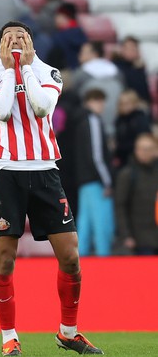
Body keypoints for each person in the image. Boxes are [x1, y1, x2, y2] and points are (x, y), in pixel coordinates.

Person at [0, 21, 103, 356]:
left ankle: (68, 332)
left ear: (32, 40)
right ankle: (9, 338)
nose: (16, 41)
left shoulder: (50, 72)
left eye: (22, 36)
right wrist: (8, 71)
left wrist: (26, 68)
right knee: (4, 261)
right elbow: (2, 110)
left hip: (46, 171)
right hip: (7, 173)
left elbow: (43, 106)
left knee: (71, 257)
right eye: (8, 37)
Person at [71, 89, 114, 257]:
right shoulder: (92, 120)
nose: (102, 105)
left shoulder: (78, 121)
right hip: (95, 181)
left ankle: (80, 265)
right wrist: (107, 181)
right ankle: (104, 261)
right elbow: (96, 155)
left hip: (83, 181)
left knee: (85, 225)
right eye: (100, 101)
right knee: (102, 225)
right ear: (91, 101)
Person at [115, 133, 158, 255]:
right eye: (141, 149)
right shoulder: (127, 175)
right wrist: (126, 235)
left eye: (148, 149)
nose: (144, 152)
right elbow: (120, 206)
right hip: (140, 239)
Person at [71, 41, 124, 138]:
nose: (79, 55)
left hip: (89, 126)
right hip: (116, 125)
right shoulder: (117, 72)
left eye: (83, 52)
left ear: (94, 53)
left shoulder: (80, 74)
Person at [114, 90, 151, 169]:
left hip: (137, 159)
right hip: (123, 159)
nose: (124, 106)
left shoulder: (140, 118)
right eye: (122, 103)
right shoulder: (119, 120)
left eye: (127, 103)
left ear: (134, 103)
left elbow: (144, 139)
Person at [46, 2, 87, 70]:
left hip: (64, 74)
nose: (55, 19)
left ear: (64, 17)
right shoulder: (81, 33)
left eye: (57, 16)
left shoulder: (59, 37)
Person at [113, 36, 151, 105]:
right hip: (120, 103)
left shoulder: (140, 68)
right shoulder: (114, 66)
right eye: (127, 48)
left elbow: (145, 95)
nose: (130, 51)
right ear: (121, 49)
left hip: (140, 104)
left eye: (133, 48)